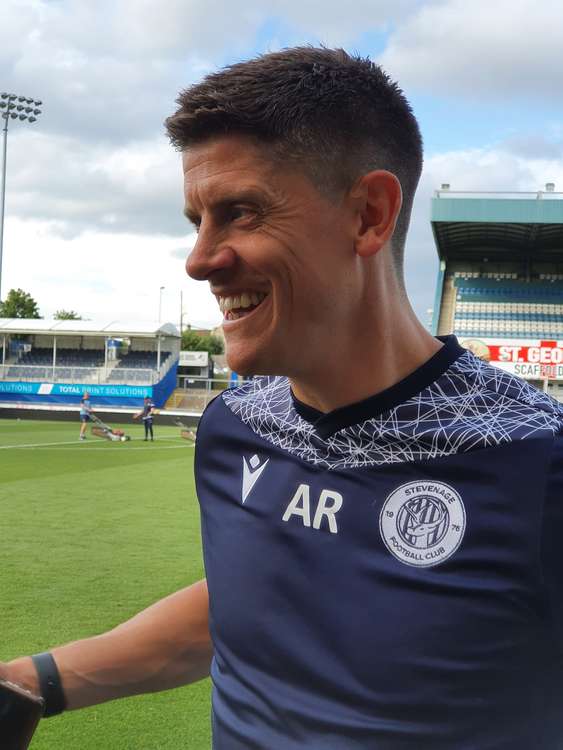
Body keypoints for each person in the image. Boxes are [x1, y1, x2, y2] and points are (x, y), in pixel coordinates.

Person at [2, 47, 563, 749]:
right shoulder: (234, 427)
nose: (200, 259)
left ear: (368, 215)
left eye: (239, 213)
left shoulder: (535, 459)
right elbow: (250, 604)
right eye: (196, 221)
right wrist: (33, 682)